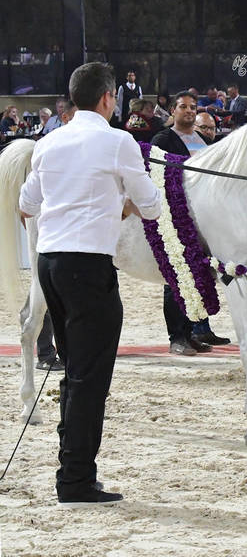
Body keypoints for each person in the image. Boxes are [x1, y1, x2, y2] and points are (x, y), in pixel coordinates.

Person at [19, 61, 161, 506]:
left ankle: (74, 470)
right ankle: (75, 480)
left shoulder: (50, 140)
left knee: (76, 371)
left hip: (51, 264)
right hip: (88, 267)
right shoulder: (119, 141)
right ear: (106, 98)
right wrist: (119, 199)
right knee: (88, 377)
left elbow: (28, 203)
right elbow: (153, 206)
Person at [151, 93, 229, 355]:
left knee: (195, 277)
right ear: (172, 110)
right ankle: (177, 337)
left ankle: (191, 332)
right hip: (175, 217)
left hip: (202, 218)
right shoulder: (162, 140)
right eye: (183, 107)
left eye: (193, 108)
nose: (188, 111)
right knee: (175, 278)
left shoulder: (204, 141)